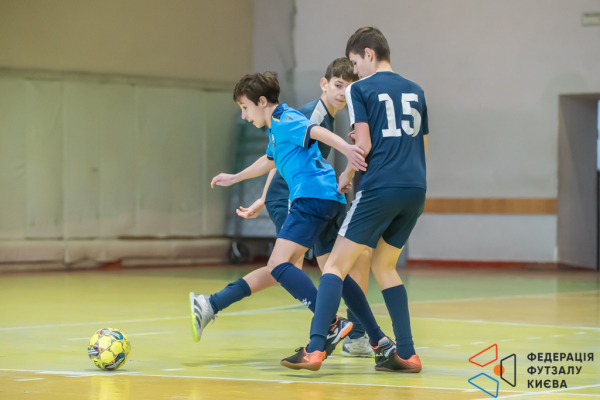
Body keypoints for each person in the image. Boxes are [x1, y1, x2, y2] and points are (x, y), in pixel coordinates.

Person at [191, 71, 386, 368]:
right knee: (336, 273)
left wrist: (347, 148)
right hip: (329, 199)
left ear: (261, 101)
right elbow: (270, 160)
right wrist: (236, 177)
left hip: (310, 199)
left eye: (245, 107)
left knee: (279, 265)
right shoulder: (276, 128)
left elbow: (315, 131)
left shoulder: (285, 118)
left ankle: (331, 323)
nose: (244, 116)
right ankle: (378, 338)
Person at [281, 27, 428, 373]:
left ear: (368, 54)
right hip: (415, 188)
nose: (354, 71)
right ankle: (407, 354)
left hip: (379, 188)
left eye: (355, 62)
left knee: (334, 265)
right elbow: (418, 145)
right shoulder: (416, 89)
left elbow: (363, 147)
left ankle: (315, 349)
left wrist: (346, 177)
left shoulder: (359, 89)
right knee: (385, 266)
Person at [233, 58, 373, 357]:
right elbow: (278, 159)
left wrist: (343, 169)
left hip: (312, 196)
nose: (343, 92)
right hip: (300, 197)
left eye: (349, 88)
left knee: (325, 266)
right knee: (293, 266)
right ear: (324, 84)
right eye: (338, 85)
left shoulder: (313, 118)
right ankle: (348, 330)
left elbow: (289, 153)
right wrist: (259, 194)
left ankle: (350, 331)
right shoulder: (304, 116)